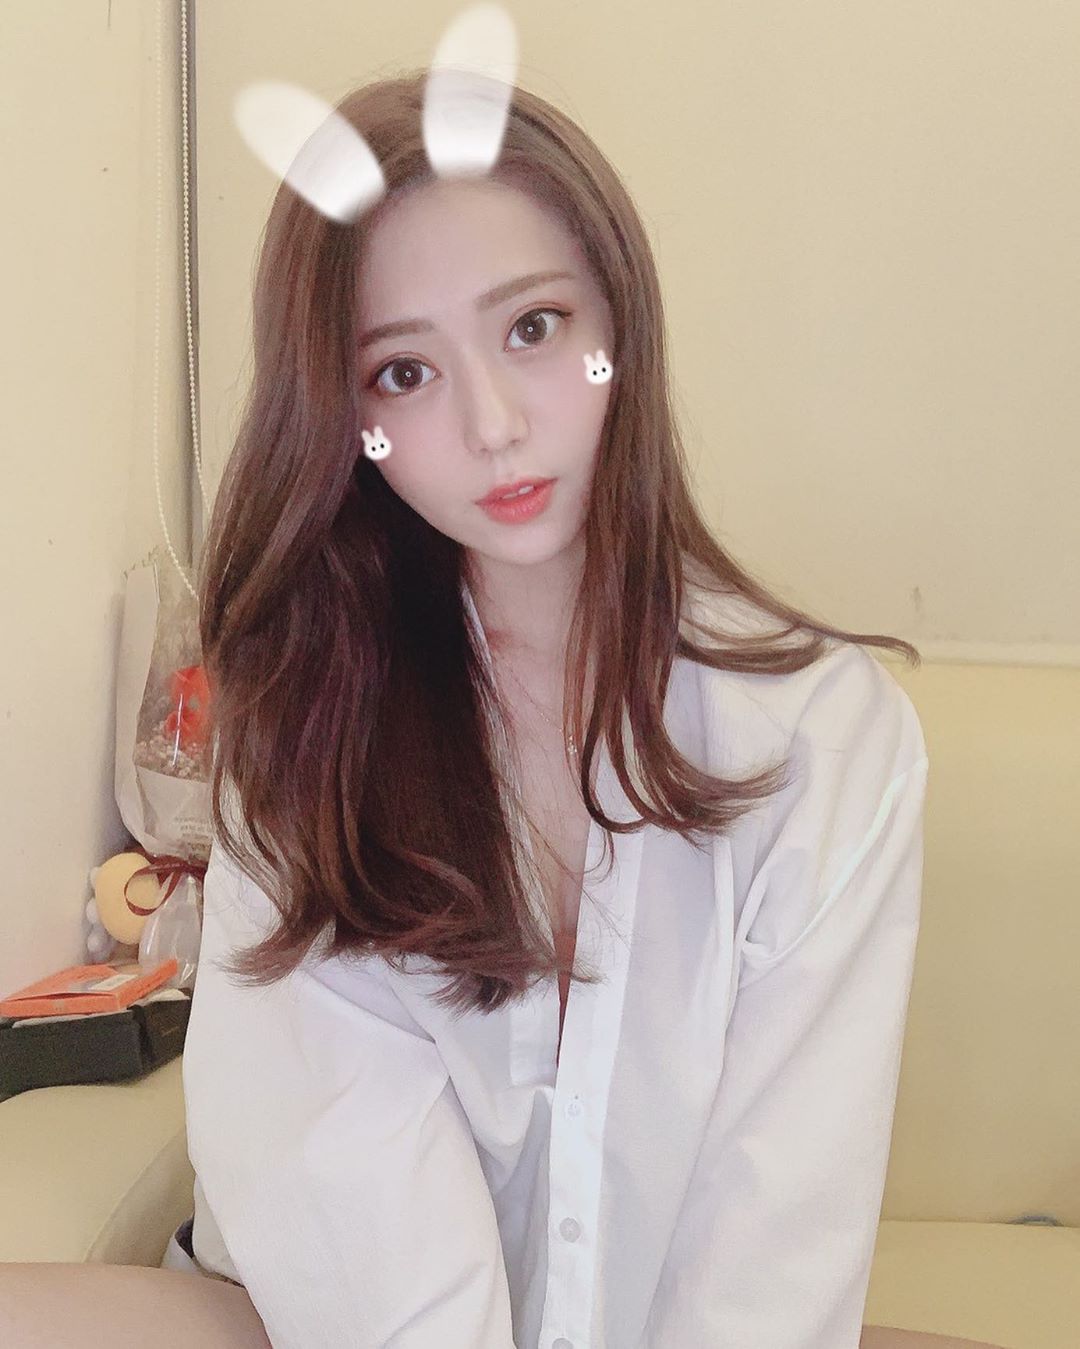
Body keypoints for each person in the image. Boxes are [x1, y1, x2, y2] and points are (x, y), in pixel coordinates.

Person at [0, 70, 1008, 1349]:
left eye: (532, 327)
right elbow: (362, 1229)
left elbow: (774, 1244)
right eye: (404, 372)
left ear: (616, 323)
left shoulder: (825, 740)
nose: (492, 424)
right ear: (348, 421)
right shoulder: (314, 725)